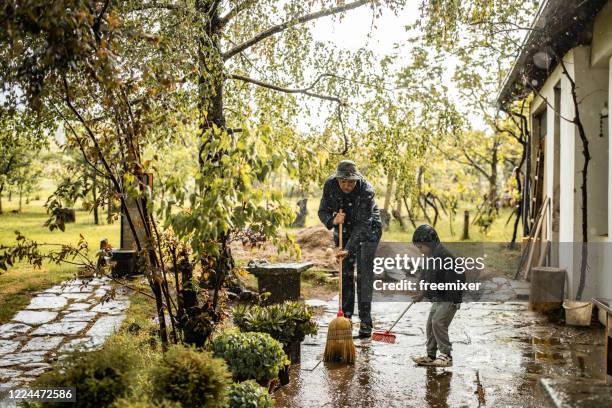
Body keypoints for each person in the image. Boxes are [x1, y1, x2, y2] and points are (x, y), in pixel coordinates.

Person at [318, 160, 382, 338]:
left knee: (363, 275)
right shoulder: (330, 185)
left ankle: (365, 321)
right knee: (345, 272)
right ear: (337, 179)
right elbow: (322, 211)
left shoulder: (366, 191)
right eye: (343, 181)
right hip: (343, 227)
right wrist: (332, 221)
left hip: (369, 229)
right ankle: (345, 319)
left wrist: (348, 248)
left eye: (351, 182)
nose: (347, 185)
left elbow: (362, 225)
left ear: (357, 179)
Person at [411, 224, 464, 367]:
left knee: (438, 322)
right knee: (430, 325)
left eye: (421, 247)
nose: (420, 251)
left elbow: (454, 279)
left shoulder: (445, 258)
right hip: (439, 298)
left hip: (449, 298)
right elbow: (426, 276)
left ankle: (446, 355)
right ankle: (430, 355)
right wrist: (422, 292)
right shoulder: (430, 257)